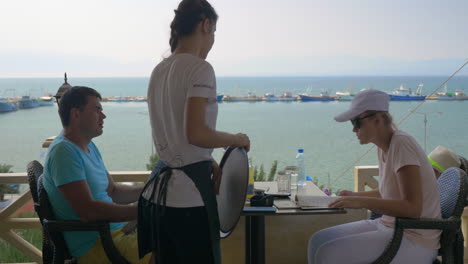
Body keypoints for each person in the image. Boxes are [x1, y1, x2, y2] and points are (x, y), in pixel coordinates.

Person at [138, 1, 250, 264]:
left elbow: (175, 135)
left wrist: (207, 159)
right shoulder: (200, 69)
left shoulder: (159, 70)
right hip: (187, 200)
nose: (212, 41)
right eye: (214, 33)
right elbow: (196, 133)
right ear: (205, 25)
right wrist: (237, 140)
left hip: (157, 195)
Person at [307, 89, 441, 264]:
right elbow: (388, 193)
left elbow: (413, 208)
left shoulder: (401, 144)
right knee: (317, 240)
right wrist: (354, 196)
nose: (354, 129)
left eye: (356, 122)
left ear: (377, 119)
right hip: (391, 226)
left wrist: (362, 202)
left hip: (415, 238)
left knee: (328, 252)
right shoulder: (384, 145)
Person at [42, 86, 152, 264]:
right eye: (97, 110)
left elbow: (113, 192)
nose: (103, 116)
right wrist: (144, 211)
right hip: (99, 243)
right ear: (76, 114)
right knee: (173, 251)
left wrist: (152, 192)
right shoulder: (63, 152)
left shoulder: (89, 146)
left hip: (116, 232)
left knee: (179, 236)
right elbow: (88, 211)